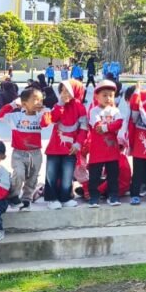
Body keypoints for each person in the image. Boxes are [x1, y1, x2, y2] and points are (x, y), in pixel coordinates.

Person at [0, 88, 54, 210]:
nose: (39, 102)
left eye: (41, 100)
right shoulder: (16, 117)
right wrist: (13, 104)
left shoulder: (40, 116)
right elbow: (0, 115)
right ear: (24, 103)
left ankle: (26, 198)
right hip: (19, 153)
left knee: (33, 177)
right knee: (19, 174)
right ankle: (13, 196)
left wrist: (44, 110)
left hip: (35, 154)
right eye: (35, 100)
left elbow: (45, 123)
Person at [45, 80, 89, 209]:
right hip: (54, 148)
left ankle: (65, 198)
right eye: (62, 91)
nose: (64, 94)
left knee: (67, 175)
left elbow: (84, 128)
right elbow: (52, 119)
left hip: (71, 149)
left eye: (67, 91)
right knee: (51, 175)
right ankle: (52, 199)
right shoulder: (58, 105)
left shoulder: (80, 108)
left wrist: (78, 144)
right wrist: (60, 104)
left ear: (75, 92)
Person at [87, 80, 124, 207]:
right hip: (97, 150)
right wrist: (110, 127)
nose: (108, 98)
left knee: (113, 174)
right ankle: (94, 197)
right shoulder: (94, 111)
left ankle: (113, 196)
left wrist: (106, 127)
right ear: (97, 96)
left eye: (111, 95)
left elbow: (119, 123)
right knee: (94, 175)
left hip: (112, 149)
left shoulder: (116, 111)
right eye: (104, 95)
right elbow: (97, 126)